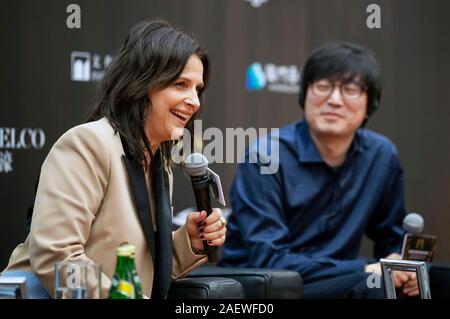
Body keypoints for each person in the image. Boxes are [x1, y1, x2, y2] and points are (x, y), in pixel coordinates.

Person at [1, 20, 227, 299]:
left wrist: (186, 243)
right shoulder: (88, 144)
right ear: (142, 84)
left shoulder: (159, 163)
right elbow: (58, 260)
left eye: (197, 89)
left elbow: (135, 267)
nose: (194, 101)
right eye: (181, 85)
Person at [219, 42, 419, 298]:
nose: (334, 101)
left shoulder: (380, 156)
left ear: (371, 103)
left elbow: (390, 236)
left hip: (338, 281)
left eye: (350, 90)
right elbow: (268, 258)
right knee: (373, 285)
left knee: (422, 281)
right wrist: (366, 268)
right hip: (264, 285)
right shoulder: (265, 157)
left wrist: (401, 266)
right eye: (323, 87)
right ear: (304, 95)